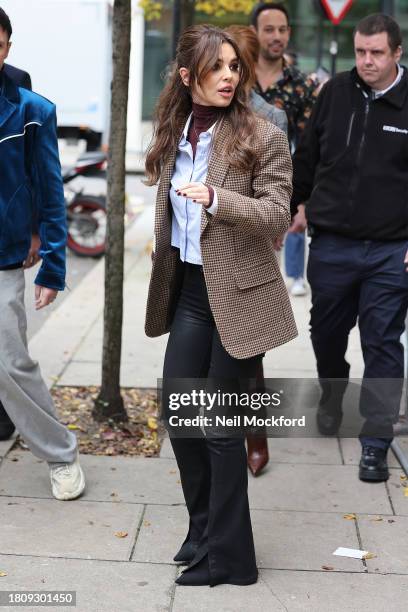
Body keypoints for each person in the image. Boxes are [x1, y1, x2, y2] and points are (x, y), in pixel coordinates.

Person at [144, 24, 296, 586]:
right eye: (218, 67)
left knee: (222, 428)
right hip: (188, 291)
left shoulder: (261, 133)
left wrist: (218, 198)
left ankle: (232, 559)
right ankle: (203, 528)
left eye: (235, 66)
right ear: (189, 77)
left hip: (240, 297)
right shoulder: (173, 129)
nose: (231, 75)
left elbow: (279, 213)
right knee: (180, 415)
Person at [291, 13, 408, 483]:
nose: (367, 61)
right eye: (361, 51)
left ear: (397, 53)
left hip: (390, 250)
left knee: (382, 343)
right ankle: (332, 389)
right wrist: (296, 204)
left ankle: (375, 443)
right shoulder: (335, 92)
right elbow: (308, 154)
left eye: (377, 52)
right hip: (333, 242)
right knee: (326, 334)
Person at [0, 7, 85, 500]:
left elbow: (51, 192)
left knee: (11, 361)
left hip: (5, 256)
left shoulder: (33, 109)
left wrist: (52, 264)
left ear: (7, 47)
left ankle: (60, 453)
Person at [225, 24, 287, 477]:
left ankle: (256, 437)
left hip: (252, 249)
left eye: (235, 67)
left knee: (250, 353)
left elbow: (277, 197)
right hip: (207, 255)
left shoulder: (269, 120)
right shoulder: (199, 116)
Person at [251, 2, 319, 297]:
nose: (276, 36)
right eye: (269, 30)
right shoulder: (233, 78)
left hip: (276, 197)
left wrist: (302, 205)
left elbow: (310, 149)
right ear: (254, 33)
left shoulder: (302, 87)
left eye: (282, 30)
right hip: (227, 194)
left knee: (261, 295)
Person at [0, 61, 34, 442]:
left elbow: (31, 162)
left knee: (8, 334)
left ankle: (9, 415)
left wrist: (36, 231)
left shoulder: (16, 82)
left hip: (6, 229)